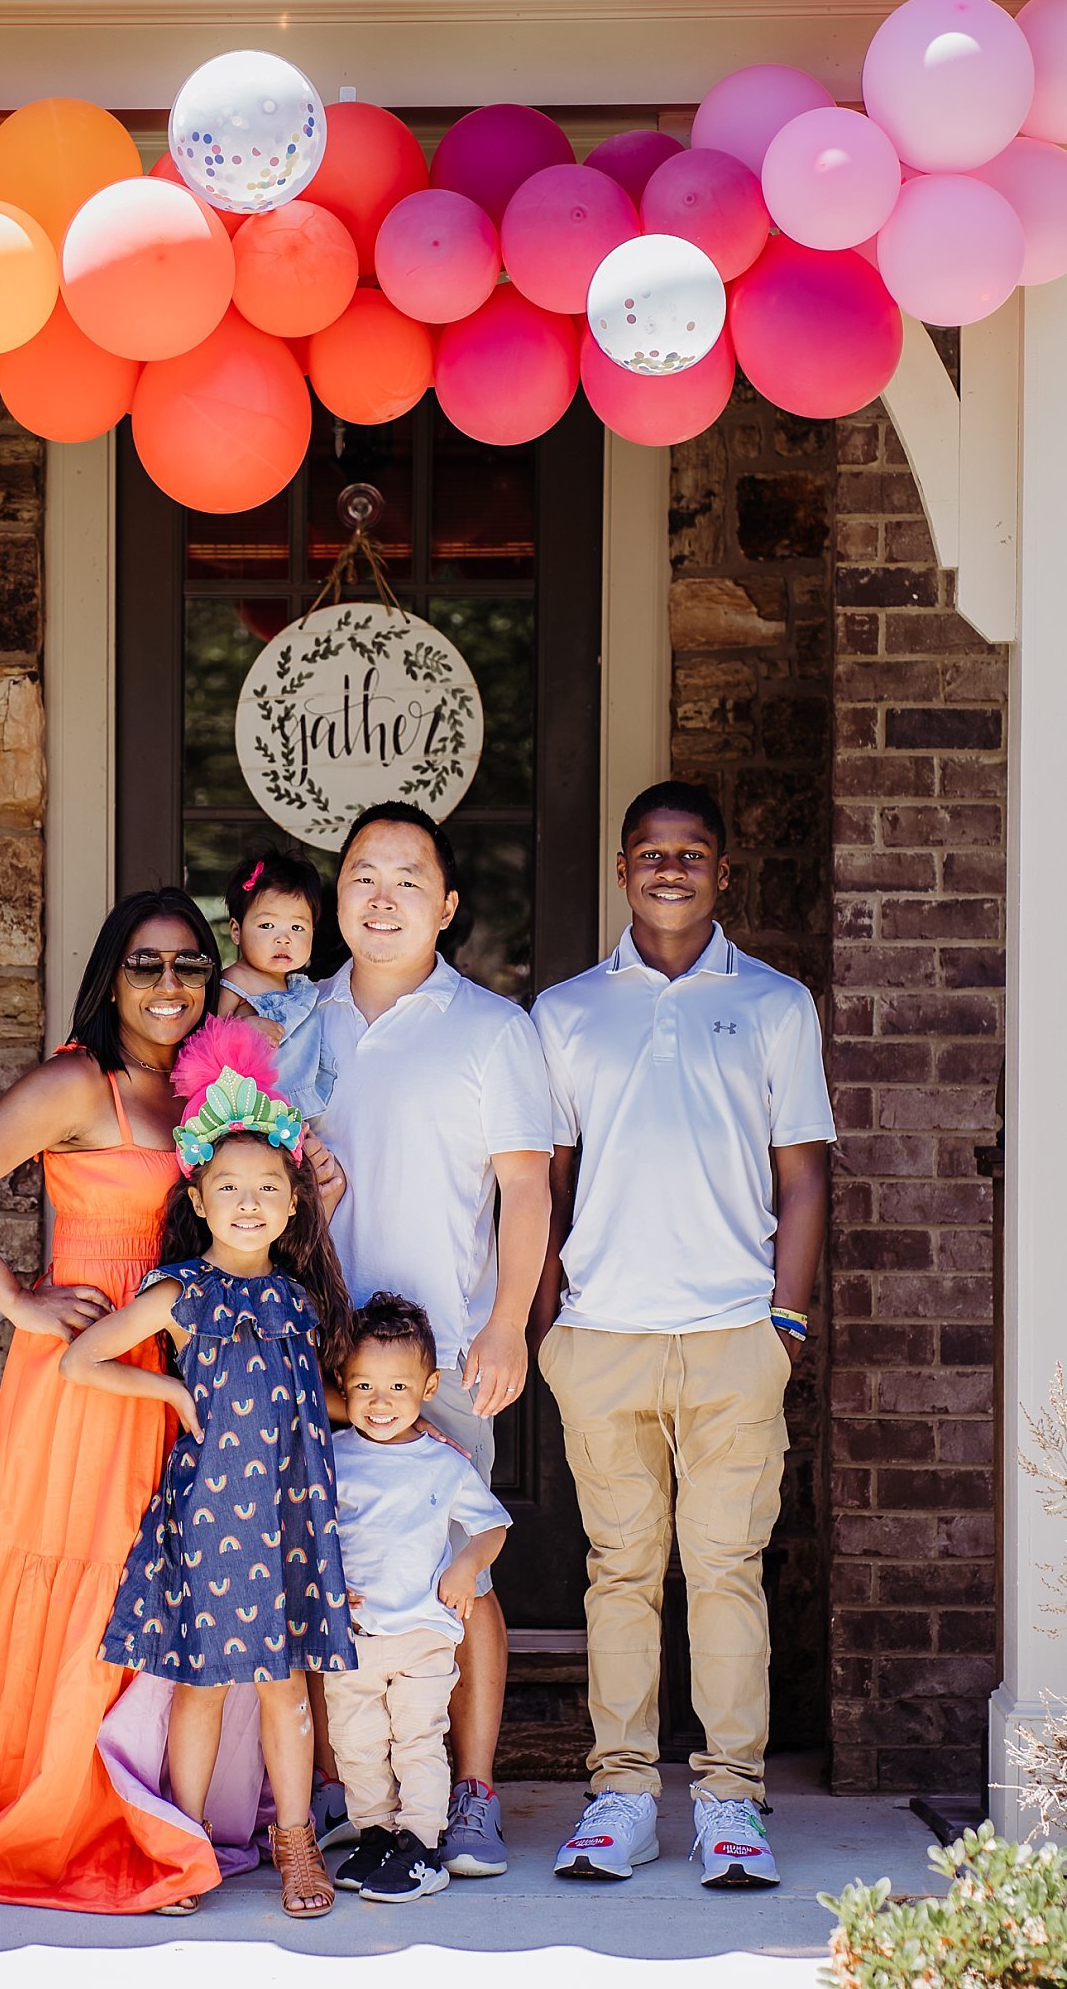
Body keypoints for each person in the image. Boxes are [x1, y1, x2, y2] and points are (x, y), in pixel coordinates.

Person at [0, 890, 250, 1911]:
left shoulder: (212, 1089)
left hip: (181, 1356)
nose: (170, 984)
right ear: (111, 978)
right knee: (91, 1569)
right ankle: (62, 1801)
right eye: (147, 964)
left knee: (165, 1573)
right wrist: (19, 1303)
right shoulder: (81, 1081)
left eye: (190, 965)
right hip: (84, 1366)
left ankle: (153, 1795)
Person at [529, 781, 833, 1890]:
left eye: (691, 852)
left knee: (725, 1569)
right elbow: (547, 1186)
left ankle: (730, 1802)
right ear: (621, 869)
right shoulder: (563, 1013)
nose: (670, 868)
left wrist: (784, 1324)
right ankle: (620, 1797)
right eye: (650, 853)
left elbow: (803, 1179)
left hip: (731, 1335)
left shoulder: (775, 1003)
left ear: (721, 869)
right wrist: (546, 1318)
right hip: (602, 1331)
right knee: (620, 1571)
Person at [65, 1016, 356, 1920]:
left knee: (286, 1688)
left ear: (294, 1203)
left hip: (288, 1516)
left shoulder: (301, 1298)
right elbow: (81, 1361)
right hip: (210, 1517)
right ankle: (183, 1843)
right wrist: (166, 1396)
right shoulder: (181, 1292)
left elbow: (313, 1399)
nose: (247, 1202)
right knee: (199, 1682)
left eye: (268, 1187)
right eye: (227, 1185)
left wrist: (405, 1425)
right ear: (195, 1197)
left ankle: (296, 1842)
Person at [310, 801, 553, 1877]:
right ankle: (346, 1785)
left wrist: (509, 1323)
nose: (383, 894)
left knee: (462, 1575)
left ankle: (473, 1791)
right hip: (318, 1361)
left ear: (447, 905)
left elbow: (527, 1187)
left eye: (410, 877)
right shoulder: (291, 1026)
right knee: (326, 1570)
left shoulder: (493, 1028)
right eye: (364, 873)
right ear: (337, 896)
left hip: (447, 1359)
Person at [326, 1295, 511, 1904]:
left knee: (416, 1742)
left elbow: (491, 1526)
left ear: (430, 1387)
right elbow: (309, 1530)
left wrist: (466, 1565)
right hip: (352, 1640)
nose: (380, 1404)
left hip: (423, 1638)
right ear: (343, 1386)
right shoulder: (333, 1457)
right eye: (364, 1387)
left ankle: (422, 1847)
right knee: (355, 1745)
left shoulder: (443, 1464)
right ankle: (377, 1835)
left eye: (398, 1387)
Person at [216, 846, 335, 1120]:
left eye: (297, 928)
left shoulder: (301, 990)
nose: (284, 939)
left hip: (295, 1113)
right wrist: (242, 1029)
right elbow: (204, 1039)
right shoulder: (235, 980)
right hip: (248, 1109)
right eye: (267, 926)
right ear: (236, 930)